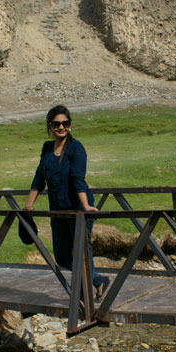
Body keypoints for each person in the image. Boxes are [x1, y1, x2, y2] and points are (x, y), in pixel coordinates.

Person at [24, 105, 109, 300]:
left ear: (70, 125)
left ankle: (85, 291)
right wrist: (29, 205)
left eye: (65, 123)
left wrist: (86, 206)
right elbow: (39, 178)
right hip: (57, 209)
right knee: (62, 256)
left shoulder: (76, 148)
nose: (61, 127)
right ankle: (97, 280)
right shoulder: (47, 148)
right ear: (50, 126)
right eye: (56, 124)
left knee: (80, 250)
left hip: (78, 206)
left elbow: (77, 178)